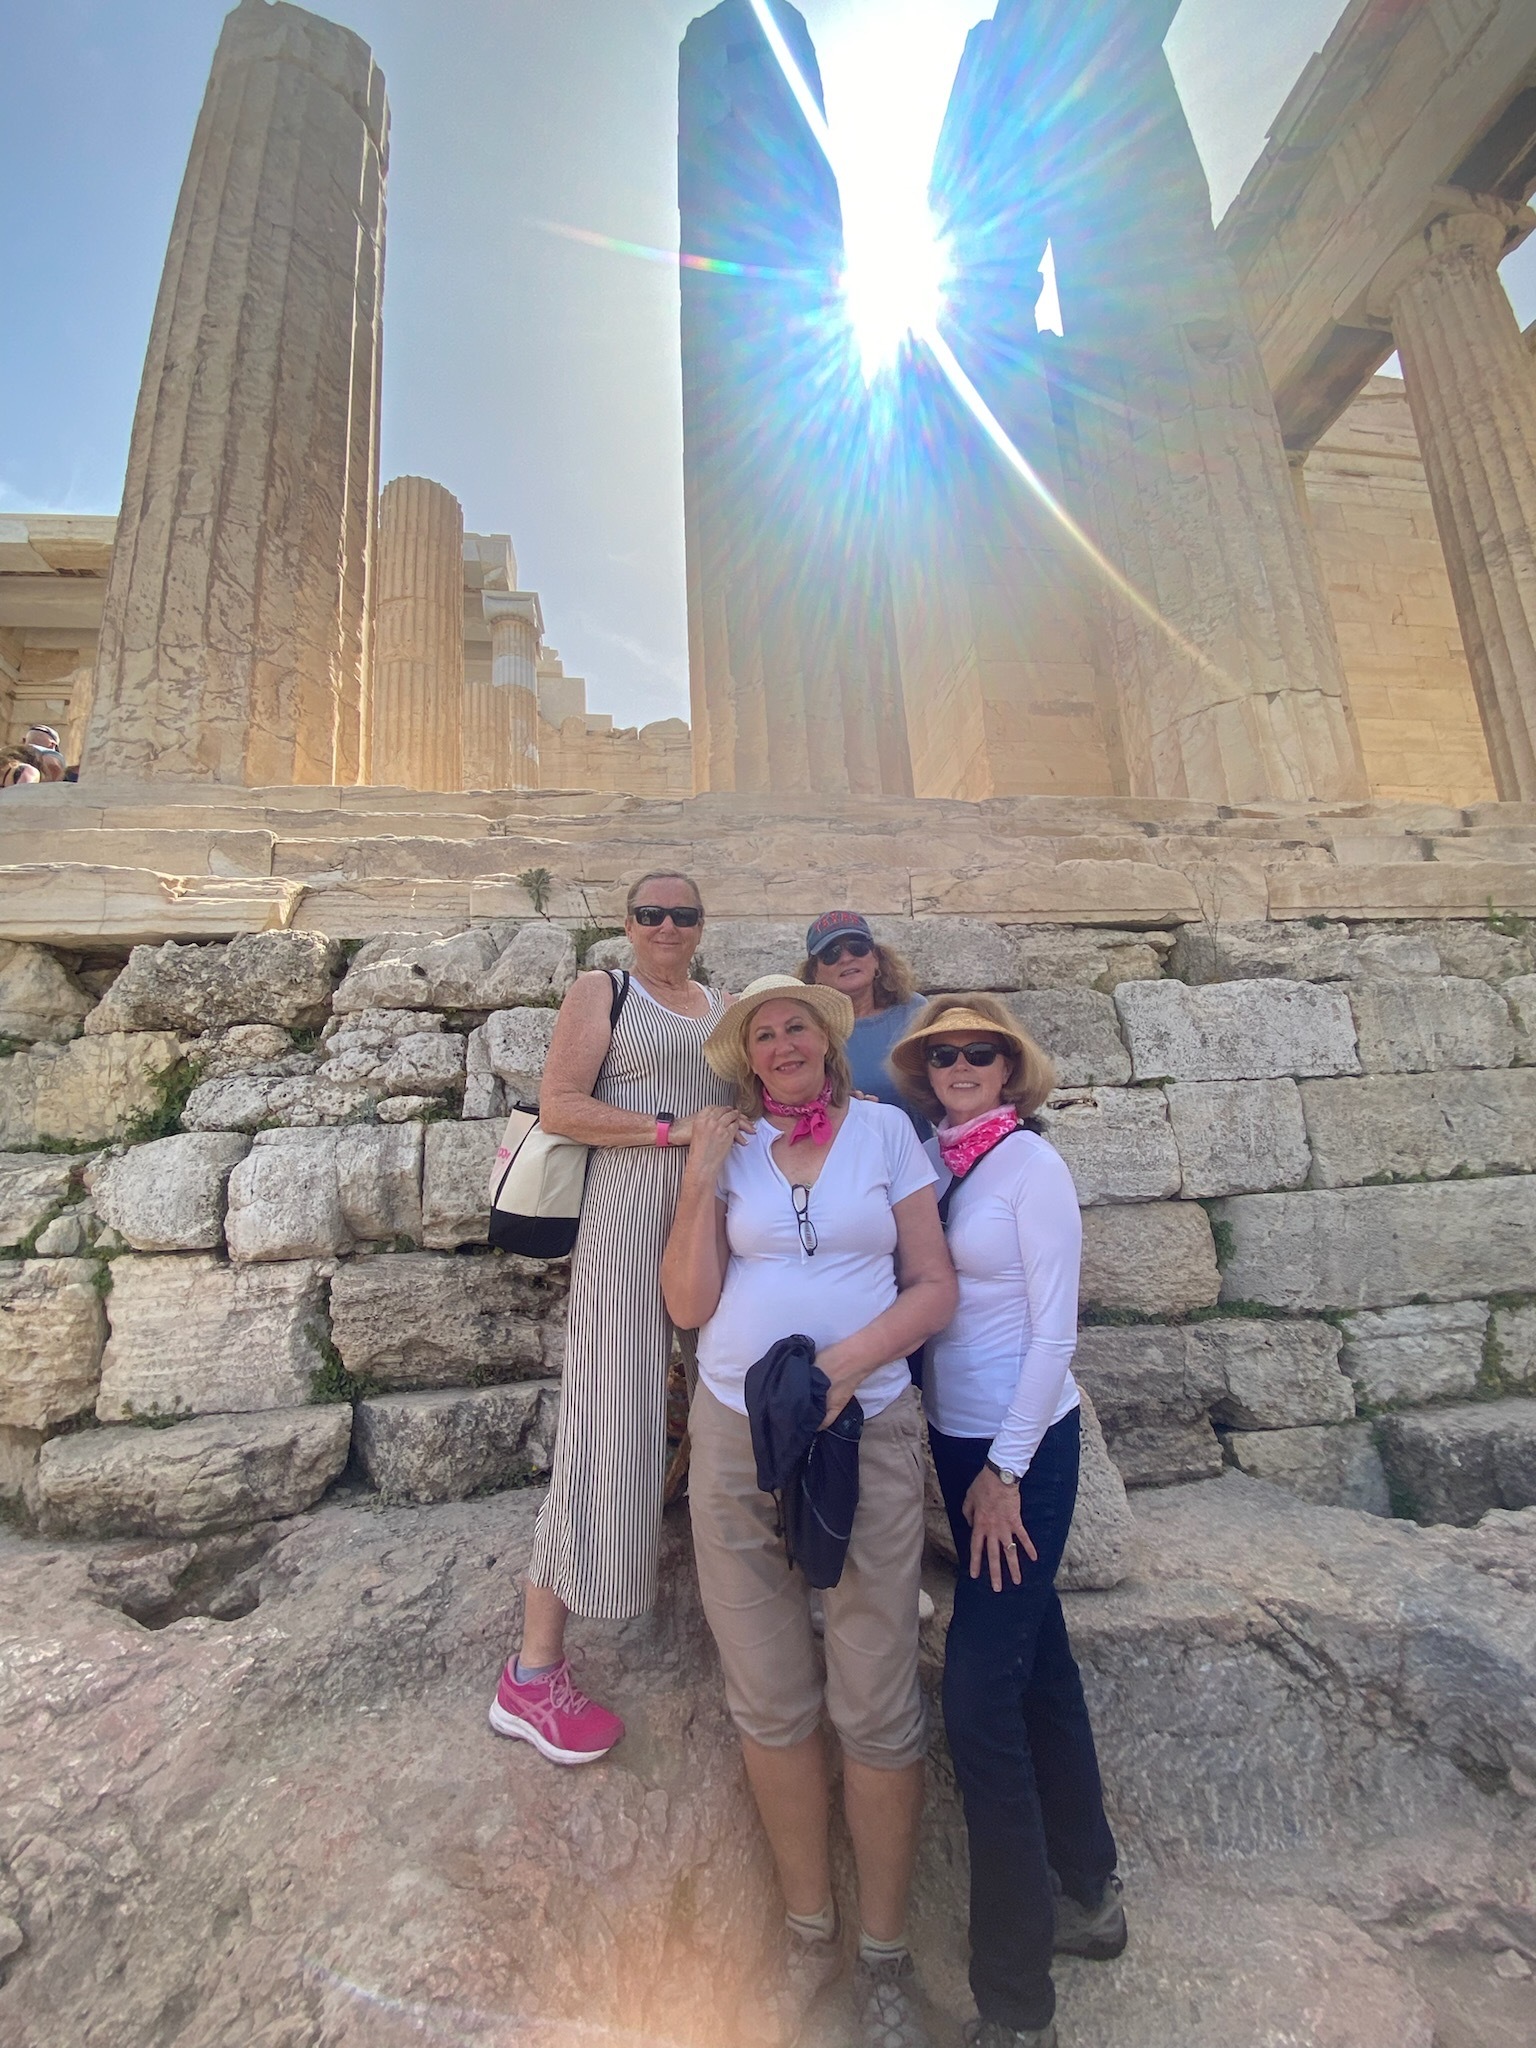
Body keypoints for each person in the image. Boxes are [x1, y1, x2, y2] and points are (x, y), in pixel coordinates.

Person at [663, 975, 957, 2048]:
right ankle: (804, 1932)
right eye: (762, 1032)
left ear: (827, 1043)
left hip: (861, 1425)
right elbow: (688, 1303)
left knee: (874, 1684)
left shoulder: (884, 1134)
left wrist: (840, 1365)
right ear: (744, 1056)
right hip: (739, 1430)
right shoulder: (729, 1147)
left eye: (797, 1025)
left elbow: (932, 1284)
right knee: (769, 1688)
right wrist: (699, 1176)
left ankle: (883, 1955)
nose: (782, 1041)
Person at [889, 994, 1124, 2048]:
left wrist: (1004, 1472)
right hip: (958, 1439)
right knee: (1039, 1665)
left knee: (982, 1701)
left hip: (1022, 1452)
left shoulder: (1033, 1167)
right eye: (946, 1053)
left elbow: (1052, 1331)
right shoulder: (939, 1163)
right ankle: (1090, 1893)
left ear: (1010, 1066)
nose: (964, 1063)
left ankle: (1018, 2005)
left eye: (982, 1050)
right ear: (928, 1069)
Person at [488, 871, 743, 1766]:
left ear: (704, 924)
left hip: (717, 1214)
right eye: (649, 912)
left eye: (683, 913)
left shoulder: (726, 1003)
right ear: (627, 923)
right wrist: (673, 1133)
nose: (666, 925)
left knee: (748, 1395)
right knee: (610, 1417)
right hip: (630, 1215)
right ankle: (533, 1672)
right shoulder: (605, 989)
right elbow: (562, 1106)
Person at [799, 912, 930, 1137]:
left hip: (917, 1155)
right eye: (831, 954)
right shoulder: (805, 1028)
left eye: (857, 947)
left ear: (876, 958)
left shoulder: (914, 1011)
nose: (847, 958)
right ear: (815, 973)